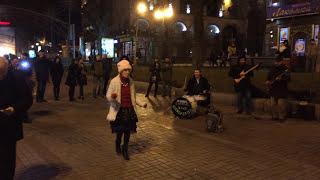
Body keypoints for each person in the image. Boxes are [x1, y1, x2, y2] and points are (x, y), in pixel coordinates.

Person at [106, 60, 147, 160]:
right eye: (125, 70)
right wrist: (112, 96)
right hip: (119, 110)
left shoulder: (131, 82)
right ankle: (117, 144)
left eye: (129, 70)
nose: (127, 72)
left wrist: (142, 103)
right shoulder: (114, 81)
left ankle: (125, 149)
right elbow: (108, 95)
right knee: (120, 131)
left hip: (129, 110)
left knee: (128, 132)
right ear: (121, 71)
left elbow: (134, 97)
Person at [0, 57, 33, 180]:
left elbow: (27, 99)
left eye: (2, 72)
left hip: (9, 125)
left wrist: (14, 108)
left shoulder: (17, 78)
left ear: (7, 69)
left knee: (7, 159)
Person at [266, 56, 291, 122]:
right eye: (276, 62)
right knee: (272, 104)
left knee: (281, 104)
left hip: (281, 89)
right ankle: (275, 116)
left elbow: (288, 78)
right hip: (273, 88)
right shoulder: (272, 68)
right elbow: (268, 76)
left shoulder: (285, 69)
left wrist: (281, 79)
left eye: (278, 62)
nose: (277, 63)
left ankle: (281, 117)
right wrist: (268, 81)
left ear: (281, 62)